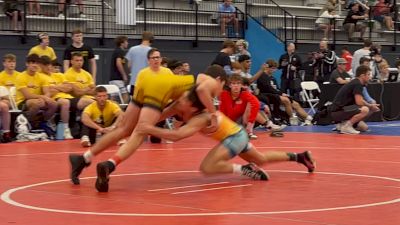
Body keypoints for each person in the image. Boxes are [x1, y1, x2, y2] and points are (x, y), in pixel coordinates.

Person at [68, 49, 226, 188]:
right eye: (223, 87)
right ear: (220, 80)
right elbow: (203, 91)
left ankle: (84, 158)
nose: (220, 92)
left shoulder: (192, 88)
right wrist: (213, 114)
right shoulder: (211, 82)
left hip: (149, 86)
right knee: (139, 132)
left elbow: (175, 107)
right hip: (159, 89)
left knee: (124, 129)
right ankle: (110, 164)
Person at [138, 88, 316, 181]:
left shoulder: (201, 117)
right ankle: (300, 157)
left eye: (183, 101)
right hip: (236, 134)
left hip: (234, 137)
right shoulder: (186, 107)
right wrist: (141, 123)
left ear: (192, 106)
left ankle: (244, 169)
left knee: (207, 167)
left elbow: (177, 136)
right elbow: (164, 113)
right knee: (261, 159)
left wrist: (148, 128)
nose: (179, 104)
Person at [257, 59, 313, 126]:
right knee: (286, 100)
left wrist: (283, 93)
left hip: (275, 94)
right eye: (272, 68)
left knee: (295, 103)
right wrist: (281, 94)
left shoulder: (272, 78)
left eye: (275, 69)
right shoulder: (262, 76)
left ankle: (308, 118)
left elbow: (277, 89)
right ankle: (292, 119)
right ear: (267, 67)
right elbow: (268, 89)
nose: (274, 71)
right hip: (267, 95)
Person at [329, 65, 380, 134]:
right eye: (368, 74)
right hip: (338, 112)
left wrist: (370, 105)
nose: (370, 77)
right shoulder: (357, 84)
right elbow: (359, 102)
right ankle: (346, 126)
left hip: (340, 110)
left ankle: (343, 124)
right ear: (362, 75)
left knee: (363, 127)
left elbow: (360, 100)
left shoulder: (356, 83)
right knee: (365, 109)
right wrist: (370, 106)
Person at [15, 54, 58, 126]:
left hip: (39, 99)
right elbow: (27, 96)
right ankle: (27, 123)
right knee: (36, 103)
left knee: (54, 104)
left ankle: (43, 122)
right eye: (32, 63)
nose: (35, 65)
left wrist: (45, 98)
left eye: (37, 63)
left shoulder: (40, 76)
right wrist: (43, 97)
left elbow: (47, 92)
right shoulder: (21, 77)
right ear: (27, 64)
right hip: (22, 101)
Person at [125, 31, 153, 95]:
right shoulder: (152, 51)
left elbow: (129, 65)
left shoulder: (132, 49)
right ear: (151, 40)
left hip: (134, 82)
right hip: (147, 82)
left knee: (134, 103)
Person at [109, 36, 129, 103]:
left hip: (113, 79)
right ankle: (121, 111)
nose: (127, 43)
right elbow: (118, 63)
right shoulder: (119, 51)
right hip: (117, 79)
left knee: (113, 98)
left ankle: (112, 111)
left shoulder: (117, 51)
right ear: (122, 43)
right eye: (126, 41)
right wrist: (124, 75)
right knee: (125, 96)